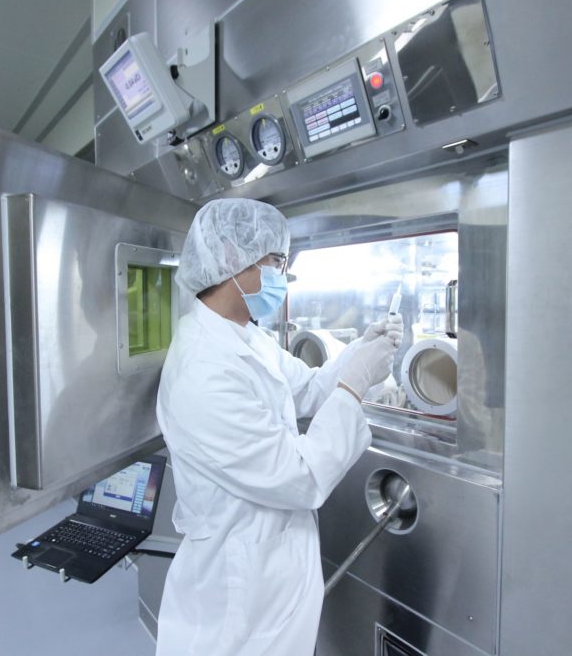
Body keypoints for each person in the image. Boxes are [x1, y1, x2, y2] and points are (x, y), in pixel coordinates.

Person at [154, 197, 402, 655]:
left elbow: (308, 388)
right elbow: (301, 477)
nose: (281, 277)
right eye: (275, 262)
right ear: (234, 260)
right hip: (234, 595)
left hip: (270, 569)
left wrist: (360, 355)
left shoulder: (245, 336)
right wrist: (356, 382)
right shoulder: (201, 371)